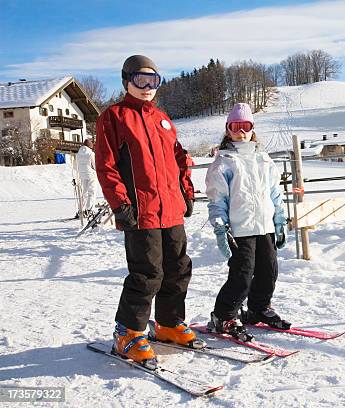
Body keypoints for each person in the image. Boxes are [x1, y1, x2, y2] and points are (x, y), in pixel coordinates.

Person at [95, 55, 197, 366]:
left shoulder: (162, 119)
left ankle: (168, 324)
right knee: (147, 274)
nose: (147, 87)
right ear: (127, 80)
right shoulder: (114, 117)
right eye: (141, 80)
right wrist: (120, 203)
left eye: (154, 81)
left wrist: (186, 192)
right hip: (140, 212)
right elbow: (106, 165)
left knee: (178, 269)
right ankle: (128, 332)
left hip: (170, 210)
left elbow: (180, 160)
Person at [205, 102, 290, 342]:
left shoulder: (263, 159)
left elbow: (274, 192)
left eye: (246, 126)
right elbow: (217, 199)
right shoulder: (224, 162)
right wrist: (221, 228)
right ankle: (223, 315)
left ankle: (258, 308)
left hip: (264, 226)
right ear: (228, 129)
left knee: (269, 270)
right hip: (240, 229)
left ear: (253, 129)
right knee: (242, 275)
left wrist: (280, 219)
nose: (240, 131)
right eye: (235, 126)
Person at [76, 138, 96, 217]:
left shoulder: (78, 153)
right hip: (91, 174)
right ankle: (89, 209)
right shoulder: (91, 153)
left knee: (83, 192)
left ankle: (81, 209)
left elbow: (76, 165)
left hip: (82, 174)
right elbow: (94, 165)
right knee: (91, 192)